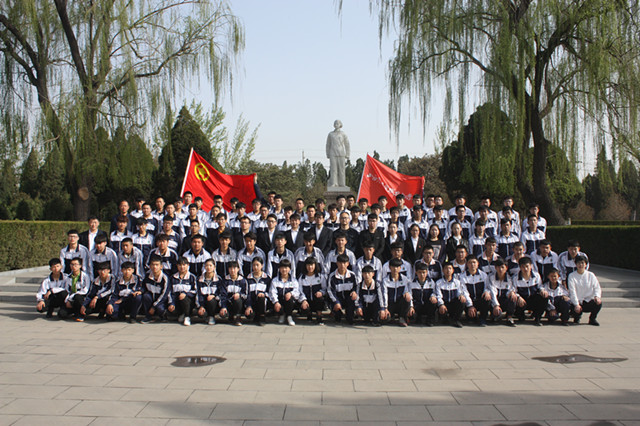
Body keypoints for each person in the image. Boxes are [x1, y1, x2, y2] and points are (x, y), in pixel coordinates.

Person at [512, 256, 548, 326]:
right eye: (523, 267)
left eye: (527, 266)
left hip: (533, 299)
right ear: (520, 267)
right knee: (514, 298)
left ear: (531, 266)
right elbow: (513, 291)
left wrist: (542, 290)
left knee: (544, 297)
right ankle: (519, 315)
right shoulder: (515, 278)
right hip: (522, 300)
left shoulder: (536, 276)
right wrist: (518, 297)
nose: (525, 269)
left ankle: (537, 317)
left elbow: (540, 286)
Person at [568, 255, 602, 326]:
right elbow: (572, 291)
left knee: (598, 303)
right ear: (575, 264)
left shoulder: (591, 275)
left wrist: (597, 296)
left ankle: (592, 319)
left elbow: (597, 287)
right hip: (578, 301)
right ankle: (577, 317)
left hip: (588, 300)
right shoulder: (571, 276)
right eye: (578, 263)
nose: (580, 265)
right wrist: (576, 304)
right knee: (575, 309)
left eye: (582, 263)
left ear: (586, 264)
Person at [269, 259, 304, 326]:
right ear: (279, 269)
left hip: (289, 303)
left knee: (289, 298)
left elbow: (297, 292)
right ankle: (282, 314)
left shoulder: (293, 280)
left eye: (286, 267)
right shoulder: (275, 280)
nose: (284, 270)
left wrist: (291, 293)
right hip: (279, 302)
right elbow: (272, 292)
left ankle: (289, 316)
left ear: (289, 269)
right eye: (282, 267)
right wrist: (276, 302)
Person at [434, 262, 469, 328]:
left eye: (450, 268)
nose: (448, 270)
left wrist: (461, 296)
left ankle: (456, 320)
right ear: (443, 270)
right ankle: (444, 318)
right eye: (446, 268)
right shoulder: (438, 283)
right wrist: (441, 304)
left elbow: (459, 293)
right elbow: (438, 295)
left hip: (453, 304)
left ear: (453, 270)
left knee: (462, 300)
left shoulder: (457, 282)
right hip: (444, 304)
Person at [459, 255, 492, 326]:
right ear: (467, 264)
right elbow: (465, 292)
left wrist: (486, 292)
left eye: (474, 262)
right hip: (469, 301)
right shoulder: (462, 277)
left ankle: (483, 318)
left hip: (480, 300)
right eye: (470, 263)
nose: (472, 265)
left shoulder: (483, 275)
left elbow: (487, 287)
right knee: (471, 319)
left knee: (487, 298)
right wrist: (470, 305)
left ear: (478, 264)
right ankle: (472, 316)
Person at [380, 258, 413, 327]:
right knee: (384, 319)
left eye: (397, 267)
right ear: (390, 267)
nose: (395, 269)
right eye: (393, 267)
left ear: (400, 268)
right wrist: (385, 308)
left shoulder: (404, 279)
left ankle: (402, 318)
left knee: (407, 296)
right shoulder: (385, 280)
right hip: (390, 304)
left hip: (400, 304)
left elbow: (408, 292)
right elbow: (384, 294)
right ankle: (391, 317)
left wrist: (411, 306)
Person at [327, 254, 358, 324]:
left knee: (350, 318)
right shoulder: (332, 276)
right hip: (338, 298)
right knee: (337, 318)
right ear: (337, 263)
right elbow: (330, 291)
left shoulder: (352, 275)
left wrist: (354, 292)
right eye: (340, 263)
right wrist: (336, 302)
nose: (342, 265)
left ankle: (350, 315)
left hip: (348, 298)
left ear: (348, 264)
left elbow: (356, 287)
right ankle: (337, 313)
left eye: (344, 263)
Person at [167, 257, 198, 326]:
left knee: (184, 298)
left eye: (184, 265)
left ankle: (187, 316)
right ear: (177, 266)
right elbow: (170, 292)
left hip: (188, 301)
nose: (182, 267)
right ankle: (181, 314)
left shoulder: (192, 277)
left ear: (188, 265)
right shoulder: (173, 277)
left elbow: (195, 291)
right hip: (176, 301)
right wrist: (171, 303)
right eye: (180, 265)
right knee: (171, 310)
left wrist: (185, 293)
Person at [140, 255, 170, 323]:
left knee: (160, 308)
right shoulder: (147, 275)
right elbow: (144, 287)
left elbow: (164, 295)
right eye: (153, 265)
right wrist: (141, 291)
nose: (154, 267)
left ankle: (163, 316)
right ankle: (148, 317)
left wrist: (154, 306)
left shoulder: (165, 278)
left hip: (161, 301)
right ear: (150, 266)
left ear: (161, 266)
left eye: (157, 265)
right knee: (146, 296)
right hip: (151, 298)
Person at [488, 258, 517, 326]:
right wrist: (496, 305)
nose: (500, 269)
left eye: (502, 267)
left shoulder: (509, 279)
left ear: (506, 268)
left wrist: (511, 292)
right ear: (495, 268)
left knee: (513, 296)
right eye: (498, 267)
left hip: (504, 301)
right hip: (494, 302)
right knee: (488, 297)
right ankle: (494, 315)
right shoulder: (491, 278)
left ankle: (509, 317)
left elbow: (510, 290)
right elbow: (493, 292)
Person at [298, 256, 327, 325]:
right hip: (307, 301)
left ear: (315, 265)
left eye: (312, 265)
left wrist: (321, 292)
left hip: (316, 301)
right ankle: (309, 314)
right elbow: (299, 291)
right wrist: (303, 300)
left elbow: (325, 289)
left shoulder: (320, 277)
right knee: (304, 306)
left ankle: (319, 316)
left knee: (320, 298)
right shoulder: (301, 278)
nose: (310, 267)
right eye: (308, 265)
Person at [196, 259, 225, 326]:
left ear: (214, 267)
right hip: (204, 303)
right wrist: (201, 306)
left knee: (211, 300)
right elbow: (198, 294)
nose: (208, 267)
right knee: (201, 314)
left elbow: (221, 293)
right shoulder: (199, 279)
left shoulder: (219, 279)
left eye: (210, 265)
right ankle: (206, 314)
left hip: (215, 303)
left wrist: (214, 295)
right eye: (206, 265)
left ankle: (211, 316)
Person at [220, 261, 248, 326]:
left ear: (238, 269)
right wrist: (223, 307)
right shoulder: (225, 280)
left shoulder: (243, 280)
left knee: (237, 298)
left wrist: (239, 294)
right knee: (223, 314)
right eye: (230, 268)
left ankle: (238, 317)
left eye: (234, 268)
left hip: (240, 304)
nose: (232, 270)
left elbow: (246, 294)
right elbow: (223, 295)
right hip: (228, 303)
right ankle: (230, 315)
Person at [245, 257, 270, 326]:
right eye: (254, 265)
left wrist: (264, 294)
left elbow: (270, 292)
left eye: (257, 265)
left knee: (261, 297)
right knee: (249, 315)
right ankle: (255, 315)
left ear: (262, 265)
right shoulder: (248, 278)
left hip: (263, 302)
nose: (255, 267)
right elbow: (247, 293)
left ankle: (262, 317)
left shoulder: (266, 278)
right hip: (252, 301)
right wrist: (249, 306)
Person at [326, 119, 350, 187]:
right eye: (335, 123)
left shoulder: (343, 134)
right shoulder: (330, 134)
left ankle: (342, 183)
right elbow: (328, 144)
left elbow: (347, 144)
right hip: (333, 153)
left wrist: (347, 154)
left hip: (341, 153)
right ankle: (334, 183)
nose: (336, 124)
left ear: (340, 125)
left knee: (342, 169)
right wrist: (327, 153)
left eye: (337, 123)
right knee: (333, 169)